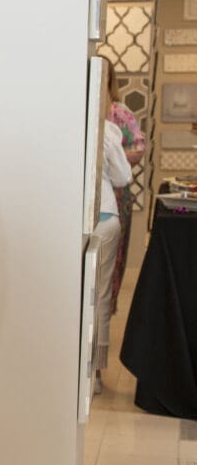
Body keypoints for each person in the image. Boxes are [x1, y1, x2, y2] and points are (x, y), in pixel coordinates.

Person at [92, 61, 134, 394]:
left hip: (82, 226)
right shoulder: (108, 131)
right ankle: (93, 373)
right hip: (106, 220)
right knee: (100, 297)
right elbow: (123, 177)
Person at [98, 56, 146, 316]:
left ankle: (108, 308)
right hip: (106, 196)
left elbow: (139, 148)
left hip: (116, 197)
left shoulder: (120, 114)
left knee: (112, 261)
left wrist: (106, 158)